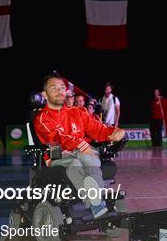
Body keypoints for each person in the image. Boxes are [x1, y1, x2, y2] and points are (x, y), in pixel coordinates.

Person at [34, 75, 126, 218]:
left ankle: (95, 199)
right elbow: (56, 137)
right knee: (76, 163)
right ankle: (96, 203)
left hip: (82, 151)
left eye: (62, 88)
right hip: (58, 154)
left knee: (89, 157)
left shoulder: (78, 112)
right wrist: (81, 145)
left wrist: (114, 132)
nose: (59, 91)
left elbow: (97, 128)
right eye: (54, 88)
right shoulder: (42, 118)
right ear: (45, 94)